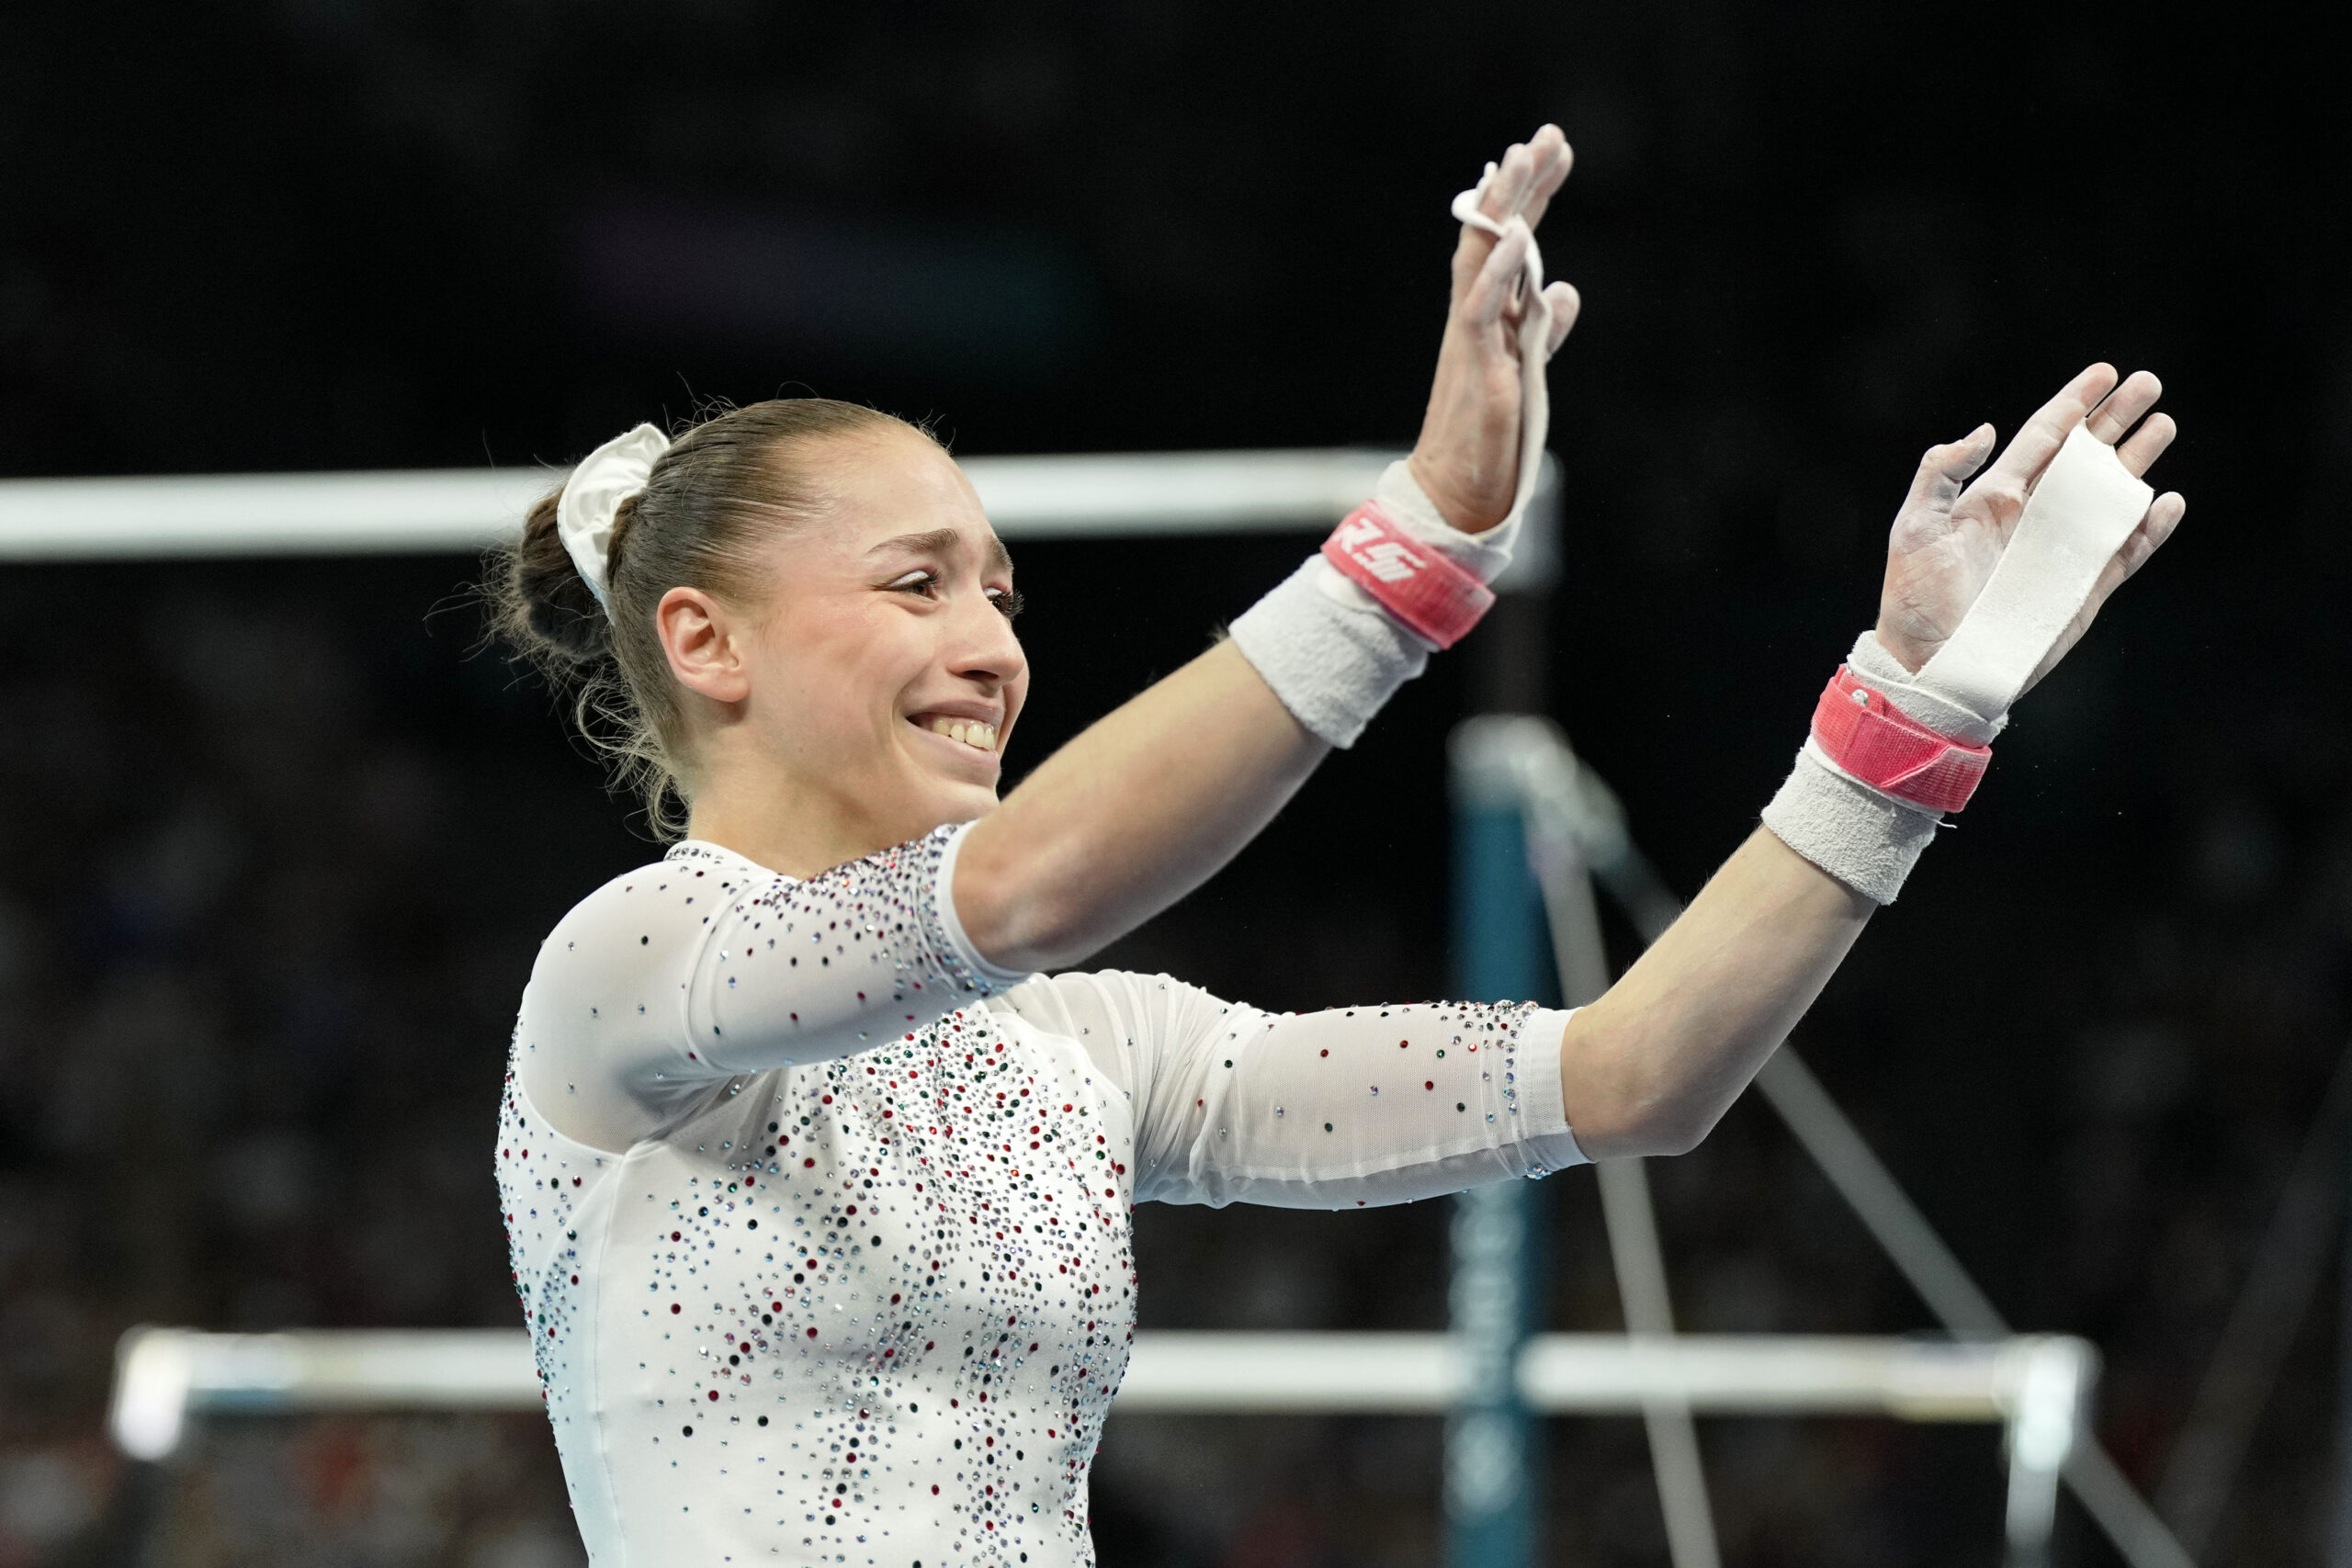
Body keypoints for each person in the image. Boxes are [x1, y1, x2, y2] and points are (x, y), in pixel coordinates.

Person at [489, 126, 2183, 1568]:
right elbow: (1028, 890)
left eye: (1002, 593)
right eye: (916, 584)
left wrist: (1907, 716)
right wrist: (1427, 541)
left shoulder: (1090, 1052)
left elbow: (1631, 1077)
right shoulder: (630, 972)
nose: (996, 645)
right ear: (707, 643)